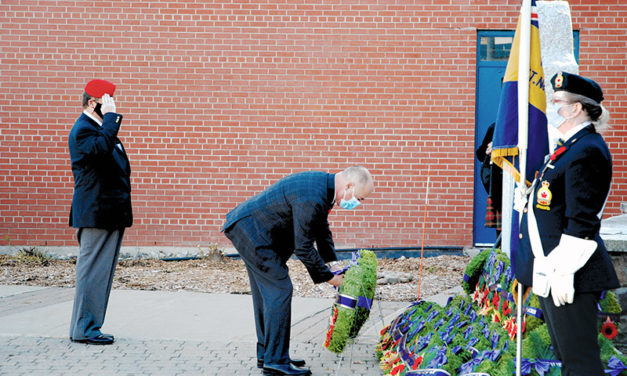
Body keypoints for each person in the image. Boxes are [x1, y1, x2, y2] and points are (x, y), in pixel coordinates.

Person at [222, 166, 374, 376]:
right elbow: (303, 247)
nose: (358, 203)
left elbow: (321, 229)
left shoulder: (322, 189)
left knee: (267, 295)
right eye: (360, 198)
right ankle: (276, 362)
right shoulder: (313, 196)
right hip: (252, 233)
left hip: (250, 230)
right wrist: (331, 279)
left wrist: (332, 262)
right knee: (280, 290)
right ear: (349, 186)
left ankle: (268, 355)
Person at [514, 72, 619, 375]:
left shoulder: (587, 150)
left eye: (558, 102)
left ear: (577, 108)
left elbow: (582, 221)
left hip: (571, 274)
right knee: (566, 353)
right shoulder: (570, 146)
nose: (553, 108)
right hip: (553, 268)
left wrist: (564, 271)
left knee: (580, 360)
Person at [68, 79, 132, 345]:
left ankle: (89, 326)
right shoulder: (84, 130)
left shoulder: (98, 129)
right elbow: (101, 149)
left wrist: (107, 122)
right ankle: (85, 329)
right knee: (92, 273)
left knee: (100, 274)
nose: (112, 108)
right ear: (93, 103)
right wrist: (110, 119)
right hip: (96, 213)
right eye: (107, 103)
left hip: (109, 213)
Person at [476, 122, 503, 234]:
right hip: (498, 182)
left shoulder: (526, 128)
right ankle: (499, 250)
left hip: (517, 181)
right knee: (500, 226)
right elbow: (481, 154)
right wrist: (487, 150)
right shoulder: (495, 127)